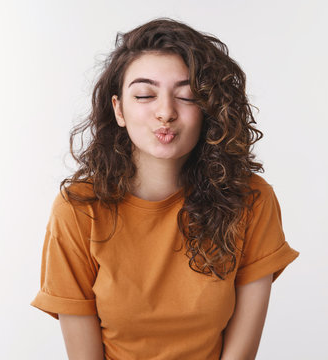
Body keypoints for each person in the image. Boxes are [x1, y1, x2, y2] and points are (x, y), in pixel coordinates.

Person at [31, 18, 299, 360]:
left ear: (207, 110)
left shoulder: (250, 200)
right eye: (145, 95)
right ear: (119, 110)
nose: (166, 113)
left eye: (186, 96)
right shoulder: (78, 209)